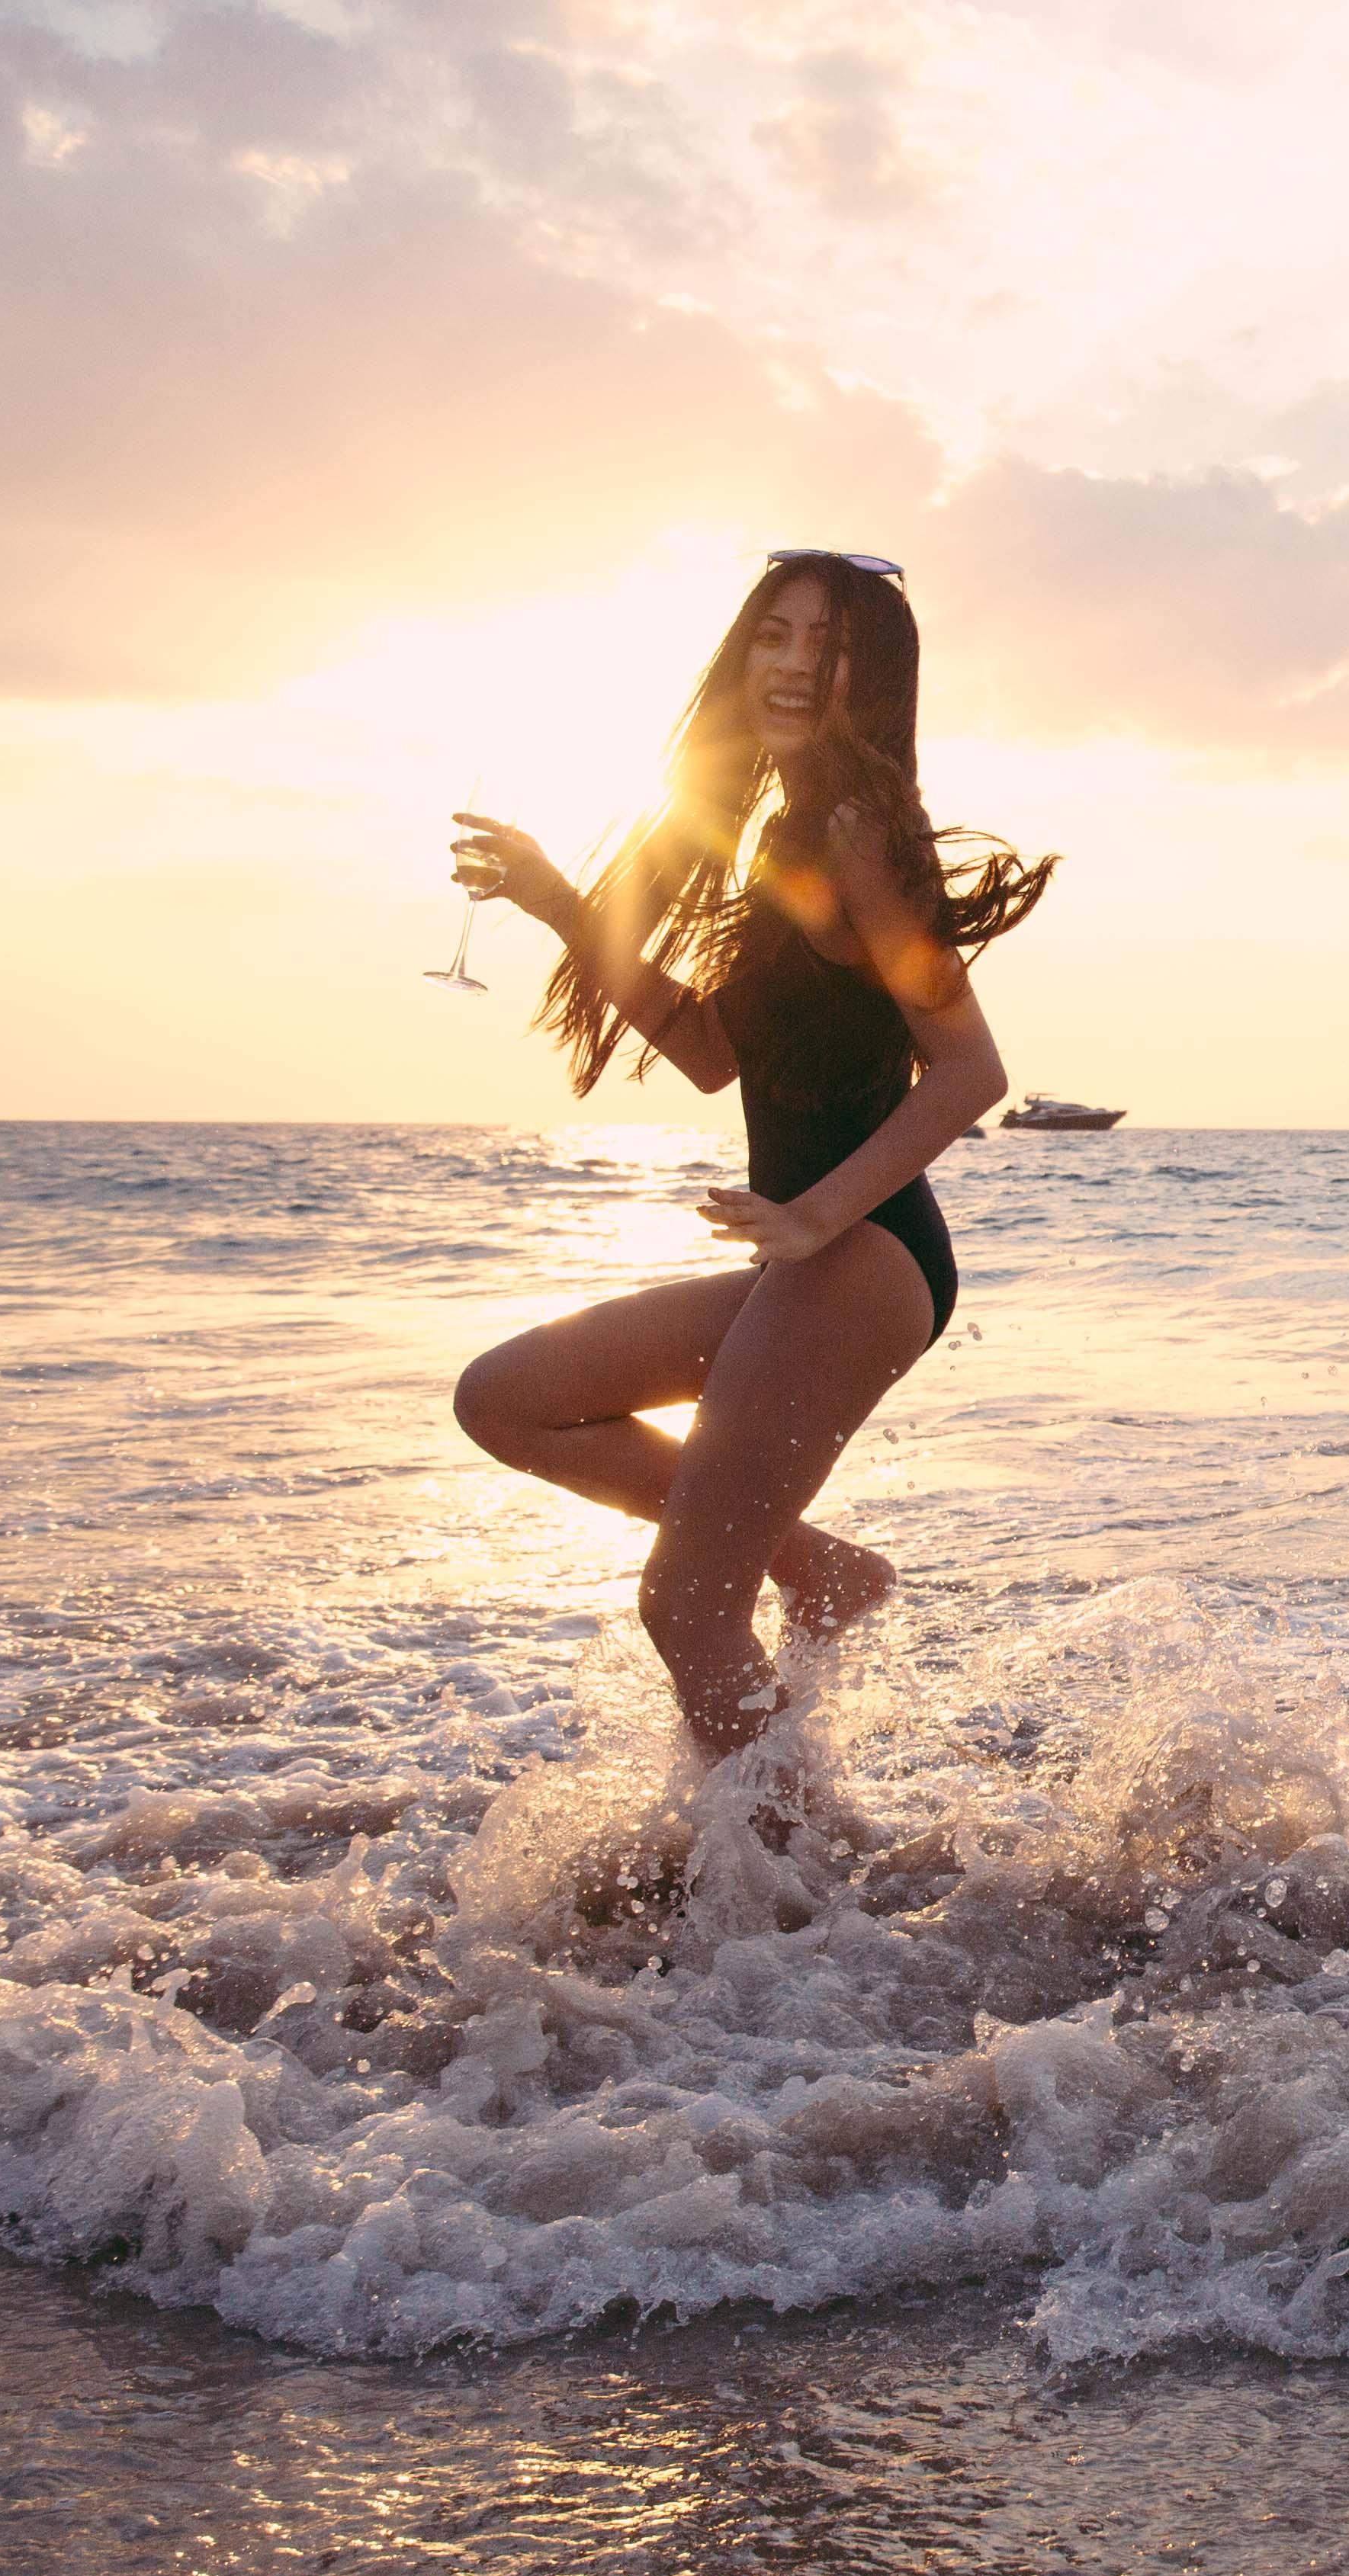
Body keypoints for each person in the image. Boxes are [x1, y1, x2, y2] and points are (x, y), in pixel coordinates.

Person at [445, 550, 1047, 1761]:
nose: (789, 665)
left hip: (863, 1255)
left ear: (867, 675)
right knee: (507, 1400)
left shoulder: (856, 832)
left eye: (822, 646)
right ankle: (821, 1574)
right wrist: (567, 906)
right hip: (820, 1262)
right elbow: (716, 1053)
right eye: (772, 635)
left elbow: (971, 1069)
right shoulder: (788, 835)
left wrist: (817, 1220)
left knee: (685, 1606)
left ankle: (792, 1899)